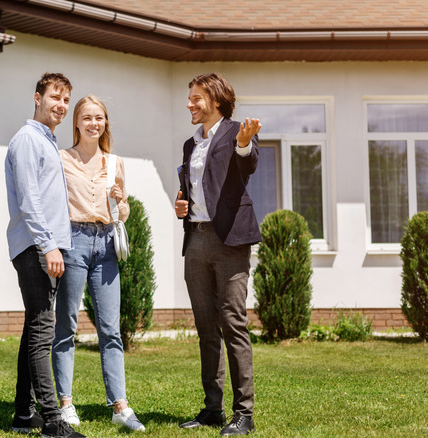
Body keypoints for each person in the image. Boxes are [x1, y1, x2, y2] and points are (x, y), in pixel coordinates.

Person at [174, 73, 262, 436]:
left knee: (233, 324)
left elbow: (248, 162)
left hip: (229, 242)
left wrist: (244, 143)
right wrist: (182, 204)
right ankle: (213, 408)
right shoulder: (189, 143)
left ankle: (244, 414)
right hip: (196, 239)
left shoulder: (236, 132)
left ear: (216, 99)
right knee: (206, 328)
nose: (190, 104)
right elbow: (193, 186)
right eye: (189, 98)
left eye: (196, 98)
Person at [51, 95, 146, 432]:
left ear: (106, 123)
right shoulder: (61, 159)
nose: (94, 123)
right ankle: (65, 403)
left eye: (100, 118)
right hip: (73, 242)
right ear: (76, 122)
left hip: (106, 244)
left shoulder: (115, 162)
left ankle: (120, 407)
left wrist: (122, 203)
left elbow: (122, 214)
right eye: (87, 117)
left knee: (110, 329)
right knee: (66, 327)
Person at [5, 72, 85, 438]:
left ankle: (24, 414)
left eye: (66, 100)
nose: (62, 105)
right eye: (55, 97)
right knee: (42, 330)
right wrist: (48, 244)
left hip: (44, 245)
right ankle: (53, 421)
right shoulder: (27, 140)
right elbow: (29, 199)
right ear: (37, 97)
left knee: (34, 327)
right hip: (36, 247)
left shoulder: (47, 141)